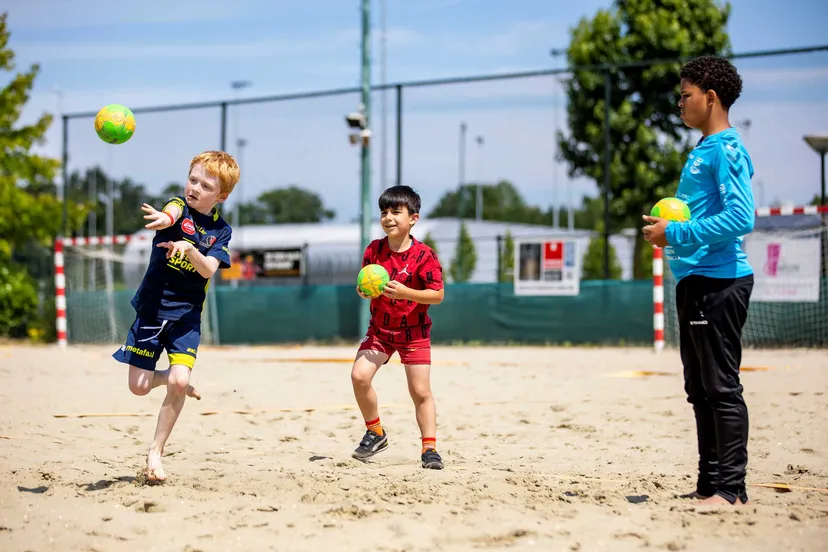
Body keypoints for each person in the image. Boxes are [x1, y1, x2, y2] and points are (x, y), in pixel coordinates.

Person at [642, 56, 755, 506]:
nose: (679, 103)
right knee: (699, 387)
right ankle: (710, 484)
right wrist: (669, 236)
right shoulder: (704, 148)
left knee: (721, 386)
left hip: (720, 282)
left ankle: (731, 489)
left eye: (685, 95)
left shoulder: (727, 147)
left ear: (711, 97)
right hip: (694, 279)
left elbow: (741, 217)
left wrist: (676, 233)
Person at [113, 150, 239, 482]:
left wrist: (191, 248)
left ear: (221, 196)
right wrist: (163, 220)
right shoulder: (178, 206)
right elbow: (170, 215)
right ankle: (173, 378)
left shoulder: (221, 232)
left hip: (186, 317)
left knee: (179, 382)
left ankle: (155, 453)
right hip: (152, 311)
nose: (195, 188)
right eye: (193, 179)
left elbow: (209, 268)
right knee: (138, 387)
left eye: (205, 185)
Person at [351, 185, 446, 470]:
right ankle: (376, 432)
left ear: (413, 218)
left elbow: (437, 295)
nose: (388, 217)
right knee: (359, 376)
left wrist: (407, 293)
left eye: (396, 211)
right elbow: (362, 287)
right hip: (380, 330)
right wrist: (363, 291)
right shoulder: (374, 250)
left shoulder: (424, 255)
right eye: (384, 212)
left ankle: (429, 449)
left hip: (414, 332)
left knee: (420, 391)